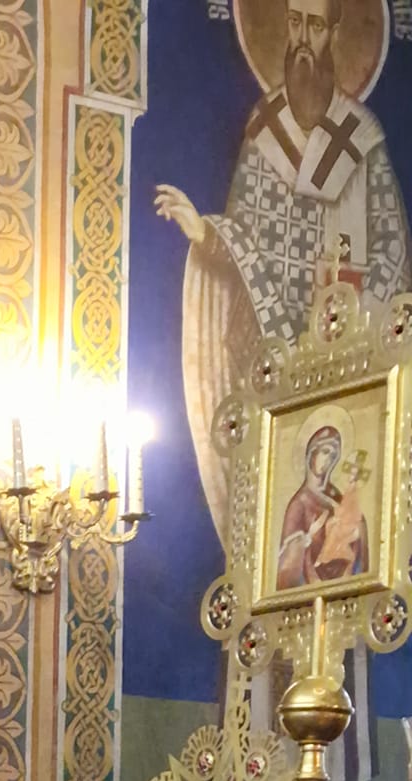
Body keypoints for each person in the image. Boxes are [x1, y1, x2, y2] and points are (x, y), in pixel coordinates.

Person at [155, 0, 411, 543]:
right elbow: (247, 233)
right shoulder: (263, 128)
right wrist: (206, 233)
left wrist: (357, 321)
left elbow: (392, 246)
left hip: (347, 351)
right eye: (295, 22)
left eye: (315, 26)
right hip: (272, 350)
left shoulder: (362, 136)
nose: (302, 39)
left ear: (335, 33)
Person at [276, 422, 369, 587]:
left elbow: (354, 523)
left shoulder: (336, 497)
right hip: (310, 583)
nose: (327, 460)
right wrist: (307, 538)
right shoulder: (299, 503)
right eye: (325, 452)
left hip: (343, 580)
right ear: (312, 454)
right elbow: (286, 565)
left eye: (332, 456)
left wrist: (357, 527)